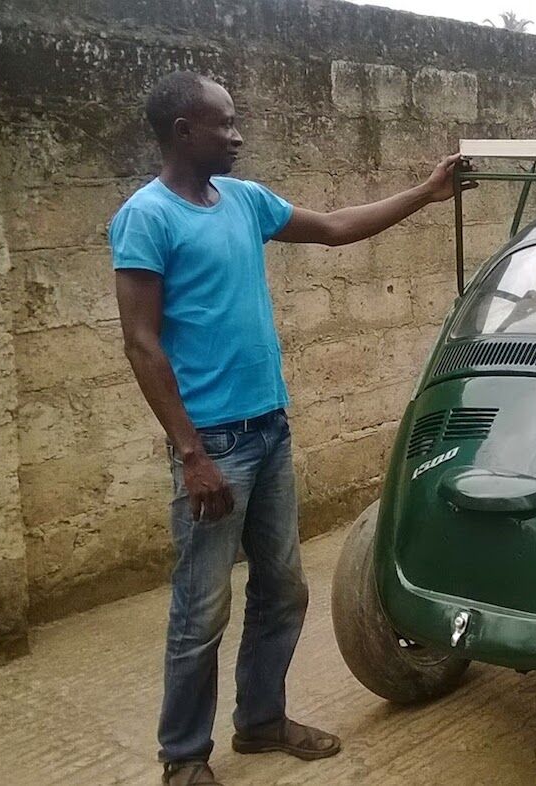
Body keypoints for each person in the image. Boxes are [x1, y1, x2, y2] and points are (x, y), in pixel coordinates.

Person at [109, 70, 471, 786]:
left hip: (269, 430)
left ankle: (261, 721)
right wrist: (191, 454)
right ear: (184, 131)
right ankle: (183, 756)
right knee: (201, 609)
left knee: (283, 590)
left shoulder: (243, 201)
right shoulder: (146, 217)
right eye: (224, 123)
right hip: (213, 446)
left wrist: (426, 193)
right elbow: (141, 343)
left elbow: (333, 229)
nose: (237, 135)